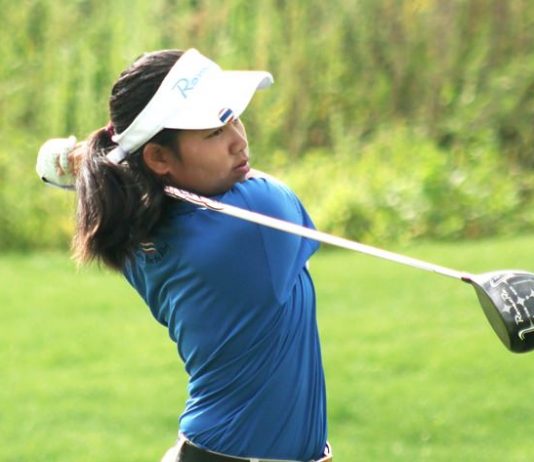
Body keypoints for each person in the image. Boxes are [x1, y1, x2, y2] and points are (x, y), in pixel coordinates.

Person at [36, 48, 331, 462]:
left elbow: (125, 177)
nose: (239, 141)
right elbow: (263, 185)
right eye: (214, 132)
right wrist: (101, 157)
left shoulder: (135, 225)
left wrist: (107, 159)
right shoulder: (256, 218)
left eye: (234, 118)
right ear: (158, 157)